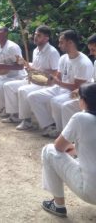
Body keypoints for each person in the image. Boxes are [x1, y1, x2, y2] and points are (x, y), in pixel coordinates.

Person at [41, 83, 96, 218]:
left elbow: (58, 147)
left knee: (48, 151)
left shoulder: (81, 118)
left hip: (92, 192)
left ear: (83, 101)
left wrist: (72, 148)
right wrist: (76, 149)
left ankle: (58, 205)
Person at [28, 30, 93, 138]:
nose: (59, 45)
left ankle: (63, 133)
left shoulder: (83, 62)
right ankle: (49, 126)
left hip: (76, 92)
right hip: (61, 88)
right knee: (33, 96)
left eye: (61, 42)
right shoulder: (63, 58)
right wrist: (42, 78)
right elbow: (57, 77)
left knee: (56, 101)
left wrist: (57, 82)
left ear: (70, 43)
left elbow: (78, 87)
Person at [2, 25, 60, 128]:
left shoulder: (52, 52)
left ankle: (27, 120)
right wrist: (24, 63)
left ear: (46, 38)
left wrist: (36, 71)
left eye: (39, 35)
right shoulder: (35, 50)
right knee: (8, 86)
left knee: (23, 90)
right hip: (33, 78)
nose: (35, 37)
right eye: (35, 34)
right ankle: (15, 115)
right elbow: (34, 67)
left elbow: (55, 72)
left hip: (46, 82)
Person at [60, 33, 96, 129]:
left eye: (93, 50)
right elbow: (94, 81)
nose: (91, 53)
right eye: (90, 50)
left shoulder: (84, 62)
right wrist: (80, 90)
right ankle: (68, 137)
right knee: (66, 106)